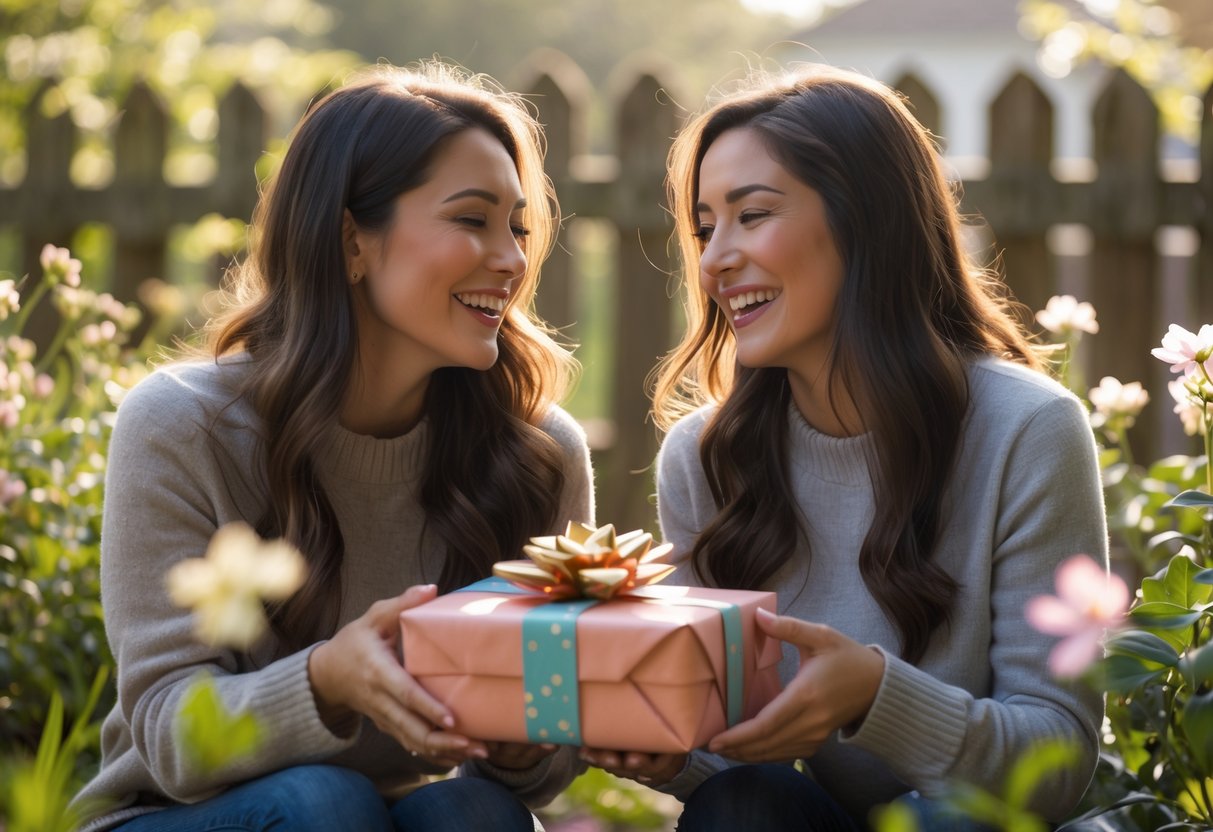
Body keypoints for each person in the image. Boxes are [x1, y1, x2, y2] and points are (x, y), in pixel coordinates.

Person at [580, 65, 1107, 829]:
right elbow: (736, 764)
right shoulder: (703, 456)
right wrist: (664, 742)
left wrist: (873, 695)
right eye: (703, 228)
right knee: (739, 805)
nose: (714, 260)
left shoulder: (1026, 430)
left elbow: (1054, 757)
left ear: (867, 221)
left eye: (751, 214)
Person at [73, 62, 592, 832]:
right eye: (471, 220)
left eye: (518, 227)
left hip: (388, 816)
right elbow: (168, 733)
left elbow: (542, 768)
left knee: (477, 813)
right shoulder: (184, 426)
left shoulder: (537, 448)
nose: (512, 259)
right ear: (353, 239)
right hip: (174, 813)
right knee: (324, 803)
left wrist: (523, 740)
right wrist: (323, 681)